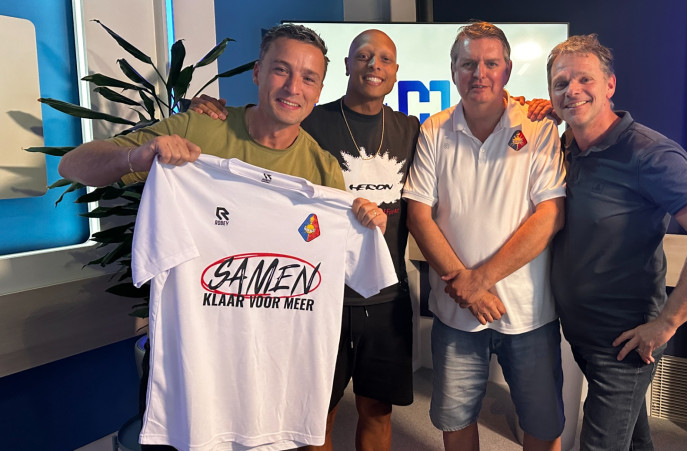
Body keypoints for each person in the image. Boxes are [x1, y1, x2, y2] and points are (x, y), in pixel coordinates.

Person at [59, 23, 387, 450]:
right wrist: (136, 156)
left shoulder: (322, 171)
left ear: (320, 89)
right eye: (281, 70)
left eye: (308, 78)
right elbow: (73, 165)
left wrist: (365, 221)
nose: (293, 87)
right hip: (190, 372)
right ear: (257, 72)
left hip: (271, 380)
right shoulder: (198, 130)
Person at [188, 29, 419, 451]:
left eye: (385, 59)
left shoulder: (411, 128)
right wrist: (204, 110)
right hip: (315, 295)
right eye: (363, 56)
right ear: (346, 66)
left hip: (386, 295)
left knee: (378, 411)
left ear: (396, 71)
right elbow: (258, 131)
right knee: (314, 417)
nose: (374, 65)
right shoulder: (307, 118)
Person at [546, 34, 687, 450]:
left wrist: (667, 323)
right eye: (560, 83)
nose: (572, 90)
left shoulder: (649, 153)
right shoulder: (564, 147)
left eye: (584, 79)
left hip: (624, 344)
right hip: (578, 332)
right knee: (634, 440)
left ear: (609, 85)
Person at [403, 22, 566, 451]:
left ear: (507, 70)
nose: (479, 73)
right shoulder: (434, 130)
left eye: (491, 64)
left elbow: (550, 215)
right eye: (468, 64)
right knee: (455, 420)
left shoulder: (539, 128)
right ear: (453, 70)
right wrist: (470, 290)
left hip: (529, 313)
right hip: (456, 314)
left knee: (542, 424)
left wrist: (478, 281)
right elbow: (419, 215)